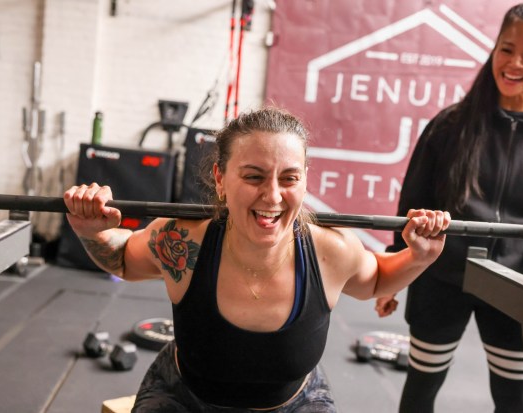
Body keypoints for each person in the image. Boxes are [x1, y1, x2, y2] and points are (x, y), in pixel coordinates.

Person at [64, 106, 451, 412]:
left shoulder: (330, 251)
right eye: (253, 177)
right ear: (219, 177)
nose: (272, 196)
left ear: (304, 179)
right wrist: (90, 229)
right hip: (184, 397)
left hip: (294, 403)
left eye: (289, 178)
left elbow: (378, 280)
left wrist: (419, 257)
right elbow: (122, 261)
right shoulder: (182, 238)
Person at [375, 1, 523, 412]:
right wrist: (394, 271)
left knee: (513, 399)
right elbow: (413, 202)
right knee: (420, 388)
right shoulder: (451, 124)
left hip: (522, 283)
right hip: (443, 277)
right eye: (506, 48)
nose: (514, 62)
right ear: (494, 47)